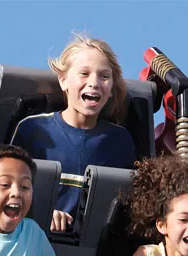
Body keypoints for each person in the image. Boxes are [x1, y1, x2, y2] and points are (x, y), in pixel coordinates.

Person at [10, 35, 137, 233]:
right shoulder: (33, 129)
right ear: (63, 81)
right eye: (84, 73)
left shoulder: (120, 141)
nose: (94, 83)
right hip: (34, 238)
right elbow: (7, 188)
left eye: (104, 76)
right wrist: (42, 213)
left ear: (111, 88)